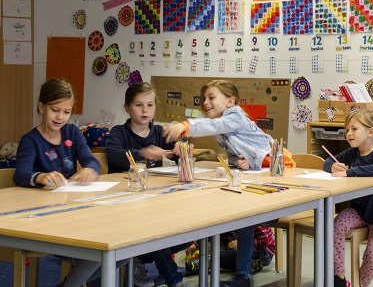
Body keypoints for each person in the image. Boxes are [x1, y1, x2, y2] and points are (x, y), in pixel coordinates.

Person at [163, 79, 273, 287]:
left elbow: (213, 125)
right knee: (240, 211)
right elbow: (232, 156)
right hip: (258, 172)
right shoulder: (223, 128)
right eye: (204, 99)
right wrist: (238, 161)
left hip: (273, 165)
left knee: (246, 215)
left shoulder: (235, 116)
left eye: (211, 97)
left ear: (230, 101)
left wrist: (186, 125)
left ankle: (244, 275)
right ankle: (240, 272)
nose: (205, 102)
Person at [13, 78, 103, 287]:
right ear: (41, 107)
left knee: (118, 250)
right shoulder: (31, 140)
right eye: (55, 110)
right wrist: (40, 177)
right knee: (102, 250)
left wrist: (89, 169)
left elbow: (92, 161)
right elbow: (20, 174)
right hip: (44, 218)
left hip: (73, 211)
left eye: (66, 112)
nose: (60, 117)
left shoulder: (72, 132)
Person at [105, 82, 190, 287]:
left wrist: (180, 148)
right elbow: (113, 156)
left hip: (154, 200)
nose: (145, 111)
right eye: (139, 105)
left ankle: (140, 259)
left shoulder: (159, 132)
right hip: (125, 201)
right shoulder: (119, 132)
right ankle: (174, 281)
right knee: (155, 234)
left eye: (150, 105)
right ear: (127, 108)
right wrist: (144, 153)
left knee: (188, 234)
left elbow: (177, 155)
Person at [323, 109, 373, 287]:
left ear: (370, 132)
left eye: (354, 129)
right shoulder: (352, 153)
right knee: (335, 227)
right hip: (358, 211)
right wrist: (332, 166)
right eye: (347, 130)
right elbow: (326, 161)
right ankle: (338, 279)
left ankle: (359, 285)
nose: (348, 133)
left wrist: (350, 172)